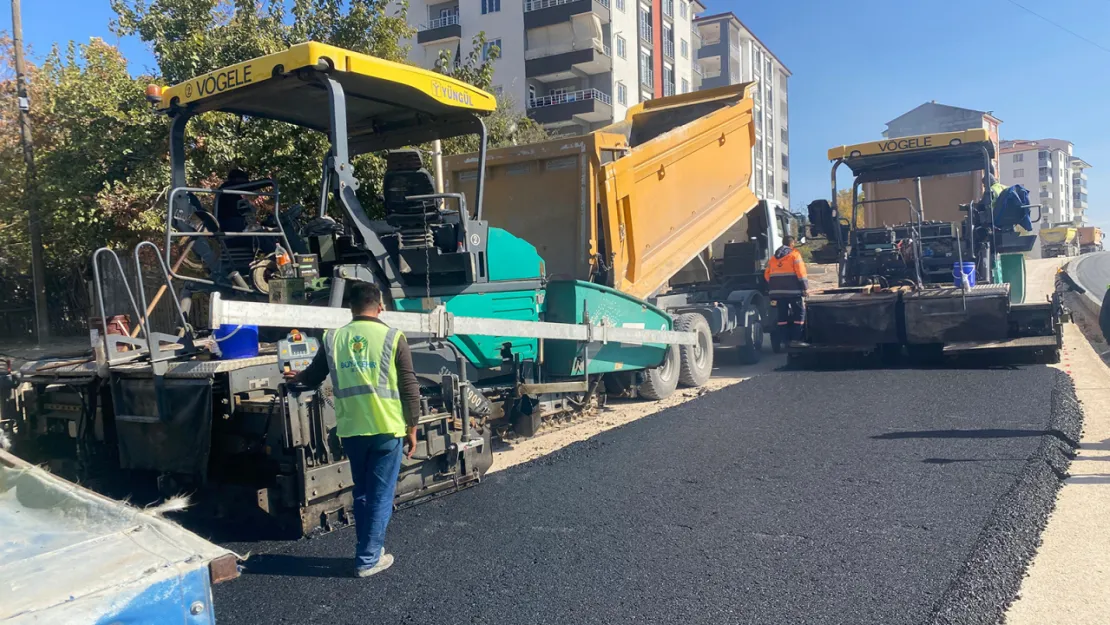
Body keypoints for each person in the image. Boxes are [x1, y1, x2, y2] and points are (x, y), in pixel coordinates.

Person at [286, 282, 421, 577]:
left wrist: (293, 378)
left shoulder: (334, 338)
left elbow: (312, 377)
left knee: (362, 492)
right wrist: (413, 427)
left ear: (350, 308)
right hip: (387, 428)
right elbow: (410, 387)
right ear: (380, 305)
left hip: (352, 430)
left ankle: (367, 549)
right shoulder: (393, 336)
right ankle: (368, 559)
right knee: (381, 495)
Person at [764, 235, 809, 343]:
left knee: (781, 316)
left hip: (776, 292)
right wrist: (805, 288)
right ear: (792, 244)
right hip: (793, 292)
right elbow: (801, 273)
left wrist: (775, 285)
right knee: (800, 313)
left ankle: (784, 340)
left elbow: (767, 275)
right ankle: (796, 339)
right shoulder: (795, 255)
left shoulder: (773, 258)